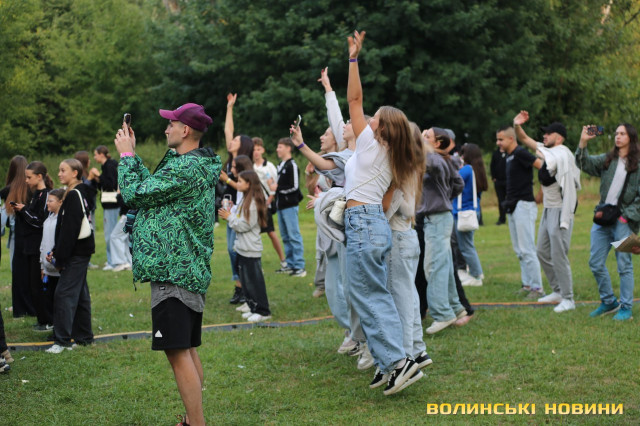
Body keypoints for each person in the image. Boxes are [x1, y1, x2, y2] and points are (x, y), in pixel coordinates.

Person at [115, 102, 220, 426]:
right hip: (184, 268)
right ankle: (192, 419)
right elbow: (152, 190)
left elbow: (134, 194)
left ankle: (196, 423)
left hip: (173, 271)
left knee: (177, 352)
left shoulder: (185, 167)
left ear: (185, 130)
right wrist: (134, 156)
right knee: (185, 348)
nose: (165, 129)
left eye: (170, 124)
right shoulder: (191, 164)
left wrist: (126, 156)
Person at [343, 30, 422, 395]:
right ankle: (389, 361)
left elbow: (354, 99)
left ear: (383, 127)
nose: (368, 118)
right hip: (371, 223)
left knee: (368, 294)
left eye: (374, 117)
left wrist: (353, 59)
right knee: (369, 293)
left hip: (364, 223)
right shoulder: (386, 152)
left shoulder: (373, 145)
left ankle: (399, 363)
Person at [514, 112, 581, 312]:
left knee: (559, 254)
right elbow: (525, 139)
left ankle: (568, 298)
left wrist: (566, 217)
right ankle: (558, 290)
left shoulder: (563, 154)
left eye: (548, 133)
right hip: (548, 209)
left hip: (561, 210)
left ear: (559, 138)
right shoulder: (548, 151)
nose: (544, 136)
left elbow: (569, 185)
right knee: (542, 251)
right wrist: (517, 125)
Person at [576, 123, 640, 321]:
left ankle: (626, 308)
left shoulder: (638, 164)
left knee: (624, 265)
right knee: (595, 263)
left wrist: (625, 216)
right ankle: (609, 302)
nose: (617, 136)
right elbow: (583, 163)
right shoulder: (608, 159)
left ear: (631, 137)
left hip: (624, 220)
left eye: (622, 134)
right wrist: (583, 142)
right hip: (603, 218)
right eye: (616, 133)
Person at [382, 122, 432, 372]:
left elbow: (407, 208)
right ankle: (417, 349)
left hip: (400, 238)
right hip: (406, 237)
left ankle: (406, 357)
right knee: (409, 295)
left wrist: (387, 199)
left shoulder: (405, 169)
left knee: (401, 298)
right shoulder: (410, 165)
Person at [418, 128, 466, 334]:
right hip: (440, 218)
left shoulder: (435, 159)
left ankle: (442, 314)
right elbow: (458, 183)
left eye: (426, 136)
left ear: (437, 143)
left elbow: (434, 166)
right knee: (443, 265)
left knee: (433, 267)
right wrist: (445, 198)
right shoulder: (443, 159)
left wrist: (442, 200)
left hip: (437, 218)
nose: (422, 138)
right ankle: (455, 307)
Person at [46, 159, 95, 353]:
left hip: (76, 252)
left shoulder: (74, 194)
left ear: (75, 173)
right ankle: (84, 337)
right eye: (59, 170)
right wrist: (57, 250)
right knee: (80, 294)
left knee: (63, 294)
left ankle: (62, 341)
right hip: (80, 250)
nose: (59, 174)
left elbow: (69, 230)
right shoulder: (77, 192)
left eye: (63, 170)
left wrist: (59, 257)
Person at [496, 125, 544, 300]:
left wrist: (541, 193)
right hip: (512, 206)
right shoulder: (509, 156)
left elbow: (543, 167)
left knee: (527, 249)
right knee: (519, 250)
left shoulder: (521, 153)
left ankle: (537, 288)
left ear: (511, 139)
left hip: (524, 205)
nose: (498, 143)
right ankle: (527, 285)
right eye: (497, 139)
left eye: (501, 139)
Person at [219, 170, 271, 322]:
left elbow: (244, 225)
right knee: (246, 282)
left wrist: (229, 217)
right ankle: (253, 307)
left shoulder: (253, 203)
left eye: (240, 181)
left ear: (249, 184)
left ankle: (263, 311)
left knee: (255, 282)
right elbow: (240, 219)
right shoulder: (245, 200)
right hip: (242, 248)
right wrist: (232, 212)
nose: (238, 183)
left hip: (251, 249)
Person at [223, 93, 255, 303]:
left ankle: (243, 287)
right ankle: (239, 287)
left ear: (242, 145)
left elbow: (244, 187)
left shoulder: (244, 164)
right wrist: (229, 107)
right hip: (230, 209)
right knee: (230, 248)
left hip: (241, 211)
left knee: (236, 249)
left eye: (235, 140)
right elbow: (228, 130)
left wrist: (226, 180)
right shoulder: (231, 160)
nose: (231, 140)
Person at [14, 162, 53, 330]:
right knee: (33, 285)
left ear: (39, 177)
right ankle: (41, 318)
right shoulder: (34, 195)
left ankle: (48, 320)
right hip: (30, 246)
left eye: (29, 177)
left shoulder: (46, 195)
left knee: (39, 285)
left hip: (40, 246)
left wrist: (24, 211)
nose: (26, 180)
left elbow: (40, 222)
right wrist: (21, 211)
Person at [1, 155, 35, 317]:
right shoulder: (31, 188)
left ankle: (20, 306)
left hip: (17, 234)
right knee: (30, 271)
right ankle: (31, 304)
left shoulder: (7, 190)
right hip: (32, 233)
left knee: (18, 271)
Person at [453, 144, 488, 287]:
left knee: (466, 246)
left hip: (463, 212)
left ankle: (476, 275)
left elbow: (452, 180)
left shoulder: (466, 169)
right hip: (473, 211)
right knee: (468, 244)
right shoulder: (477, 169)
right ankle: (476, 272)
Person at [252, 137, 286, 269]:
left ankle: (283, 260)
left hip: (265, 204)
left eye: (258, 149)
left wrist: (269, 201)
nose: (256, 152)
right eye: (254, 149)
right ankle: (256, 264)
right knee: (254, 234)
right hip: (253, 205)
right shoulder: (250, 166)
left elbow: (273, 185)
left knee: (271, 232)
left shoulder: (269, 166)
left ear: (263, 150)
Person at [275, 137, 306, 277]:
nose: (277, 149)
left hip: (290, 205)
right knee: (285, 237)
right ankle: (290, 264)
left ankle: (300, 266)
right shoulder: (280, 165)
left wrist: (277, 189)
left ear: (288, 148)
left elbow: (294, 186)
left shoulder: (292, 165)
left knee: (294, 236)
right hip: (280, 206)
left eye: (280, 147)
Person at [39, 188, 65, 330]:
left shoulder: (61, 221)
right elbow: (43, 244)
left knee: (59, 298)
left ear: (60, 202)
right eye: (47, 200)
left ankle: (60, 325)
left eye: (51, 201)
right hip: (48, 268)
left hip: (58, 267)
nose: (47, 203)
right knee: (49, 297)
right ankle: (53, 323)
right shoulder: (48, 220)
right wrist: (42, 266)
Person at [91, 145, 120, 270]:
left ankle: (113, 262)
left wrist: (99, 176)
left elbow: (111, 184)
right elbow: (104, 185)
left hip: (112, 204)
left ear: (101, 154)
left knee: (110, 233)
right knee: (110, 232)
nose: (94, 157)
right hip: (108, 204)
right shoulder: (106, 165)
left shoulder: (109, 166)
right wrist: (98, 179)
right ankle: (111, 260)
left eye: (95, 154)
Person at [490, 146, 508, 225]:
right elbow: (492, 166)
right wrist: (493, 177)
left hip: (508, 181)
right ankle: (502, 218)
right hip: (498, 181)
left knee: (510, 199)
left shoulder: (509, 153)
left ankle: (512, 217)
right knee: (501, 200)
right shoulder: (496, 154)